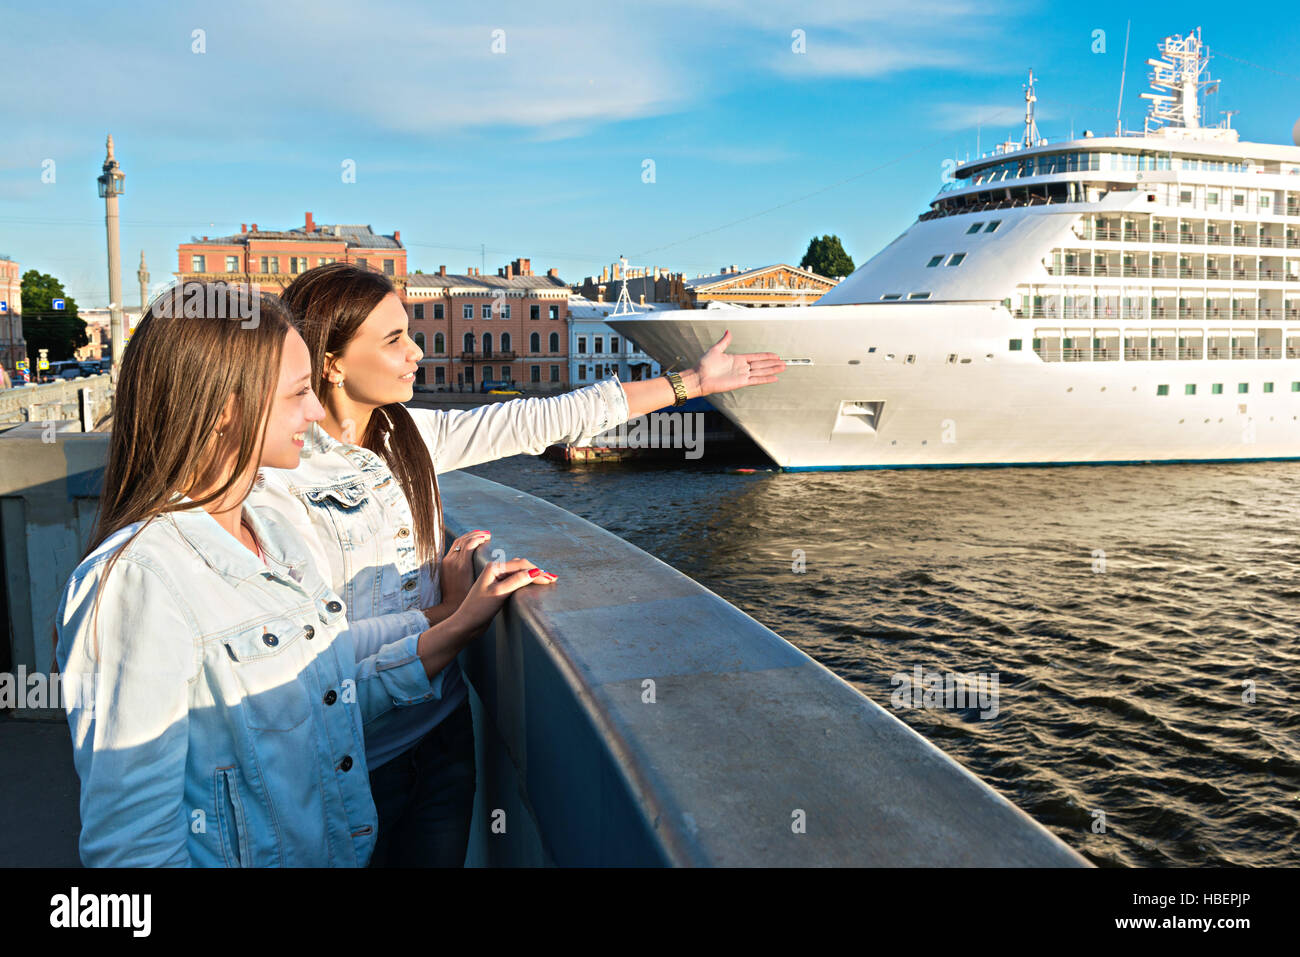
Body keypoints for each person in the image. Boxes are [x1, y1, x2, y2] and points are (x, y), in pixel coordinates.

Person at [251, 262, 785, 866]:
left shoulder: (407, 438)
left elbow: (538, 419)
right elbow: (311, 651)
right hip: (358, 760)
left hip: (441, 730)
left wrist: (691, 382)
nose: (417, 352)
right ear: (332, 363)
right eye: (394, 339)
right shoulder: (280, 480)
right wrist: (449, 614)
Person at [55, 282, 554, 866]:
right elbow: (134, 853)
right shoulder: (136, 584)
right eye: (298, 394)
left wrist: (456, 622)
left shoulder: (274, 536)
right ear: (224, 410)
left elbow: (327, 689)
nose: (317, 410)